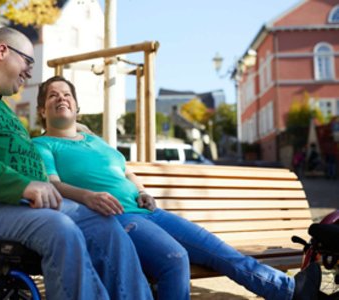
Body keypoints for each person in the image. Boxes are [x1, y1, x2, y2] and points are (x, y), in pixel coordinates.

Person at [0, 28, 152, 300]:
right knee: (60, 230)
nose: (29, 72)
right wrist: (23, 186)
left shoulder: (5, 109)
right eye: (28, 62)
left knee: (106, 226)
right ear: (2, 51)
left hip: (21, 204)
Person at [32, 75, 322, 300]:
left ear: (77, 105)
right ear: (42, 110)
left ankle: (285, 289)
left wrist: (144, 190)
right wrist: (89, 196)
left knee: (216, 249)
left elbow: (126, 171)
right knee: (175, 259)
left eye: (67, 94)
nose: (62, 99)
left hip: (148, 212)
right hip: (116, 219)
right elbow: (52, 184)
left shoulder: (95, 141)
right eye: (53, 96)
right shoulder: (42, 145)